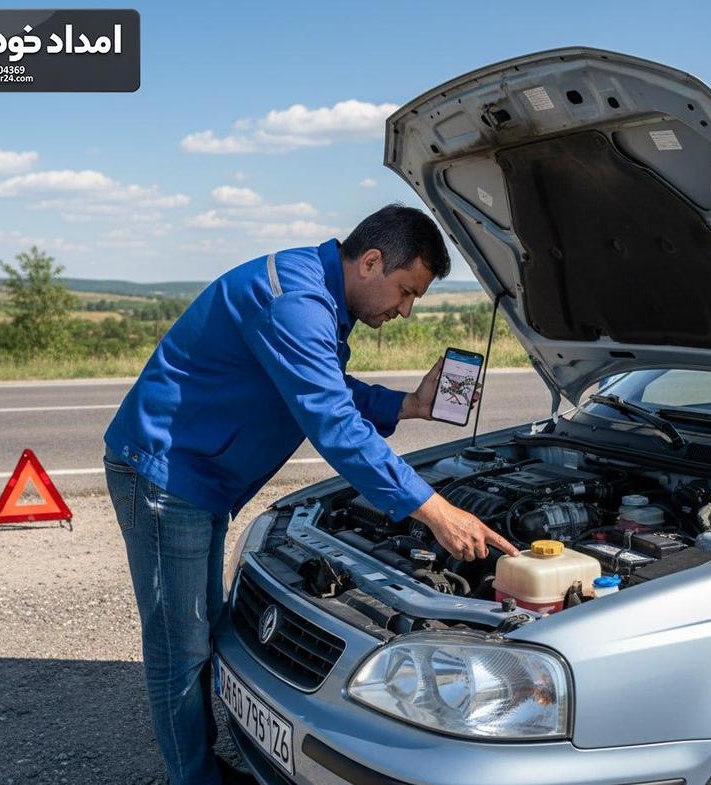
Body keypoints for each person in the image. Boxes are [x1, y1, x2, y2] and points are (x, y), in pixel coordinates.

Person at [103, 203, 518, 785]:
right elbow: (333, 423)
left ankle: (210, 753)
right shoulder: (294, 302)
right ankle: (192, 777)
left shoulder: (317, 292)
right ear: (371, 262)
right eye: (406, 292)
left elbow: (324, 383)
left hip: (204, 477)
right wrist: (434, 510)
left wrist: (408, 405)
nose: (404, 310)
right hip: (166, 476)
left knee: (203, 627)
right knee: (180, 646)